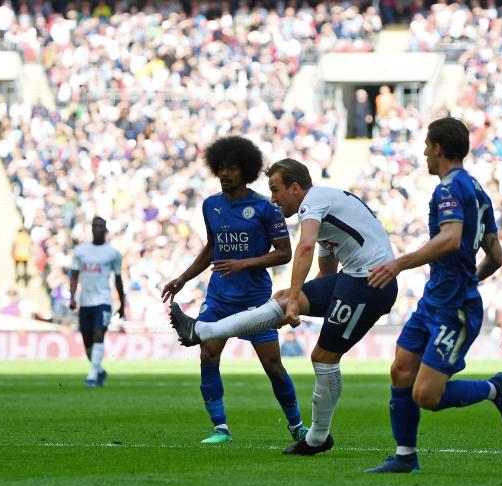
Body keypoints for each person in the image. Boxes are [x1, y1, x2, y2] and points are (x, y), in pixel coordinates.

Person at [169, 158, 398, 454]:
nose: (274, 199)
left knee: (322, 357)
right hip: (352, 279)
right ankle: (202, 330)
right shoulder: (328, 205)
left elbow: (303, 247)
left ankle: (316, 439)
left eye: (276, 190)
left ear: (295, 187)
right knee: (281, 297)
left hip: (371, 283)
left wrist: (294, 301)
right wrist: (291, 303)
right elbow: (326, 276)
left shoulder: (312, 203)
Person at [364, 117, 502, 474]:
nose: (423, 153)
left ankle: (494, 388)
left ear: (437, 148)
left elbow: (450, 238)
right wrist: (472, 279)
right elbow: (495, 255)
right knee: (401, 369)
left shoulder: (449, 188)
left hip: (453, 308)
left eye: (426, 146)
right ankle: (404, 457)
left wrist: (399, 264)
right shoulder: (477, 190)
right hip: (434, 300)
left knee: (426, 395)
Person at [162, 136, 305, 445]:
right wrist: (183, 278)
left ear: (246, 171)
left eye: (232, 168)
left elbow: (284, 253)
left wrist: (244, 264)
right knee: (208, 354)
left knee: (272, 365)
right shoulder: (210, 205)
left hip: (254, 300)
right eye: (222, 168)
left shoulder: (266, 208)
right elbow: (212, 248)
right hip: (219, 297)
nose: (225, 174)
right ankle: (220, 428)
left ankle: (297, 426)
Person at [69, 216, 125, 388]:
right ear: (91, 228)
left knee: (99, 334)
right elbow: (74, 276)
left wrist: (122, 303)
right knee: (87, 343)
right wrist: (72, 297)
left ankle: (92, 377)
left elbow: (118, 279)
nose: (98, 229)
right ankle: (99, 369)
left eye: (101, 226)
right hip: (85, 301)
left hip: (103, 301)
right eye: (95, 226)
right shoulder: (80, 251)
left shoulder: (113, 253)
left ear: (105, 229)